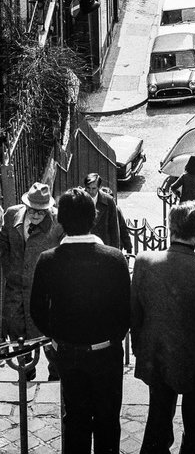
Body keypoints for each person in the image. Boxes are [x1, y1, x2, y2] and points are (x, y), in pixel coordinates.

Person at [30, 186, 130, 454]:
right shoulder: (115, 259)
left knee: (75, 421)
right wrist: (111, 338)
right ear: (94, 217)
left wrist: (58, 336)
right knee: (108, 421)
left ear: (60, 220)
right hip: (106, 352)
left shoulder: (47, 260)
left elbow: (37, 311)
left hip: (69, 353)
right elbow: (125, 312)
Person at [131, 202, 195, 454]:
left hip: (157, 358)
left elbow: (135, 315)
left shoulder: (143, 262)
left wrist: (140, 350)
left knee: (158, 418)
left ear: (169, 227)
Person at [0, 181, 61, 380]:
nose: (35, 215)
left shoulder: (58, 223)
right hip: (16, 287)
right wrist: (9, 268)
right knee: (17, 328)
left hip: (43, 289)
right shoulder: (11, 215)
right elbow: (3, 244)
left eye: (41, 212)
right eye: (32, 210)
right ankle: (26, 370)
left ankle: (56, 373)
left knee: (47, 333)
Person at [170, 154, 195, 248]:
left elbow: (173, 187)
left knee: (184, 229)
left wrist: (178, 194)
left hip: (184, 207)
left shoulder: (184, 177)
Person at [83, 172, 120, 248]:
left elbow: (114, 229)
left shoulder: (108, 201)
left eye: (93, 188)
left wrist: (115, 251)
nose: (90, 191)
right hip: (84, 247)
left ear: (99, 188)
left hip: (103, 246)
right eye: (88, 188)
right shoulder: (78, 199)